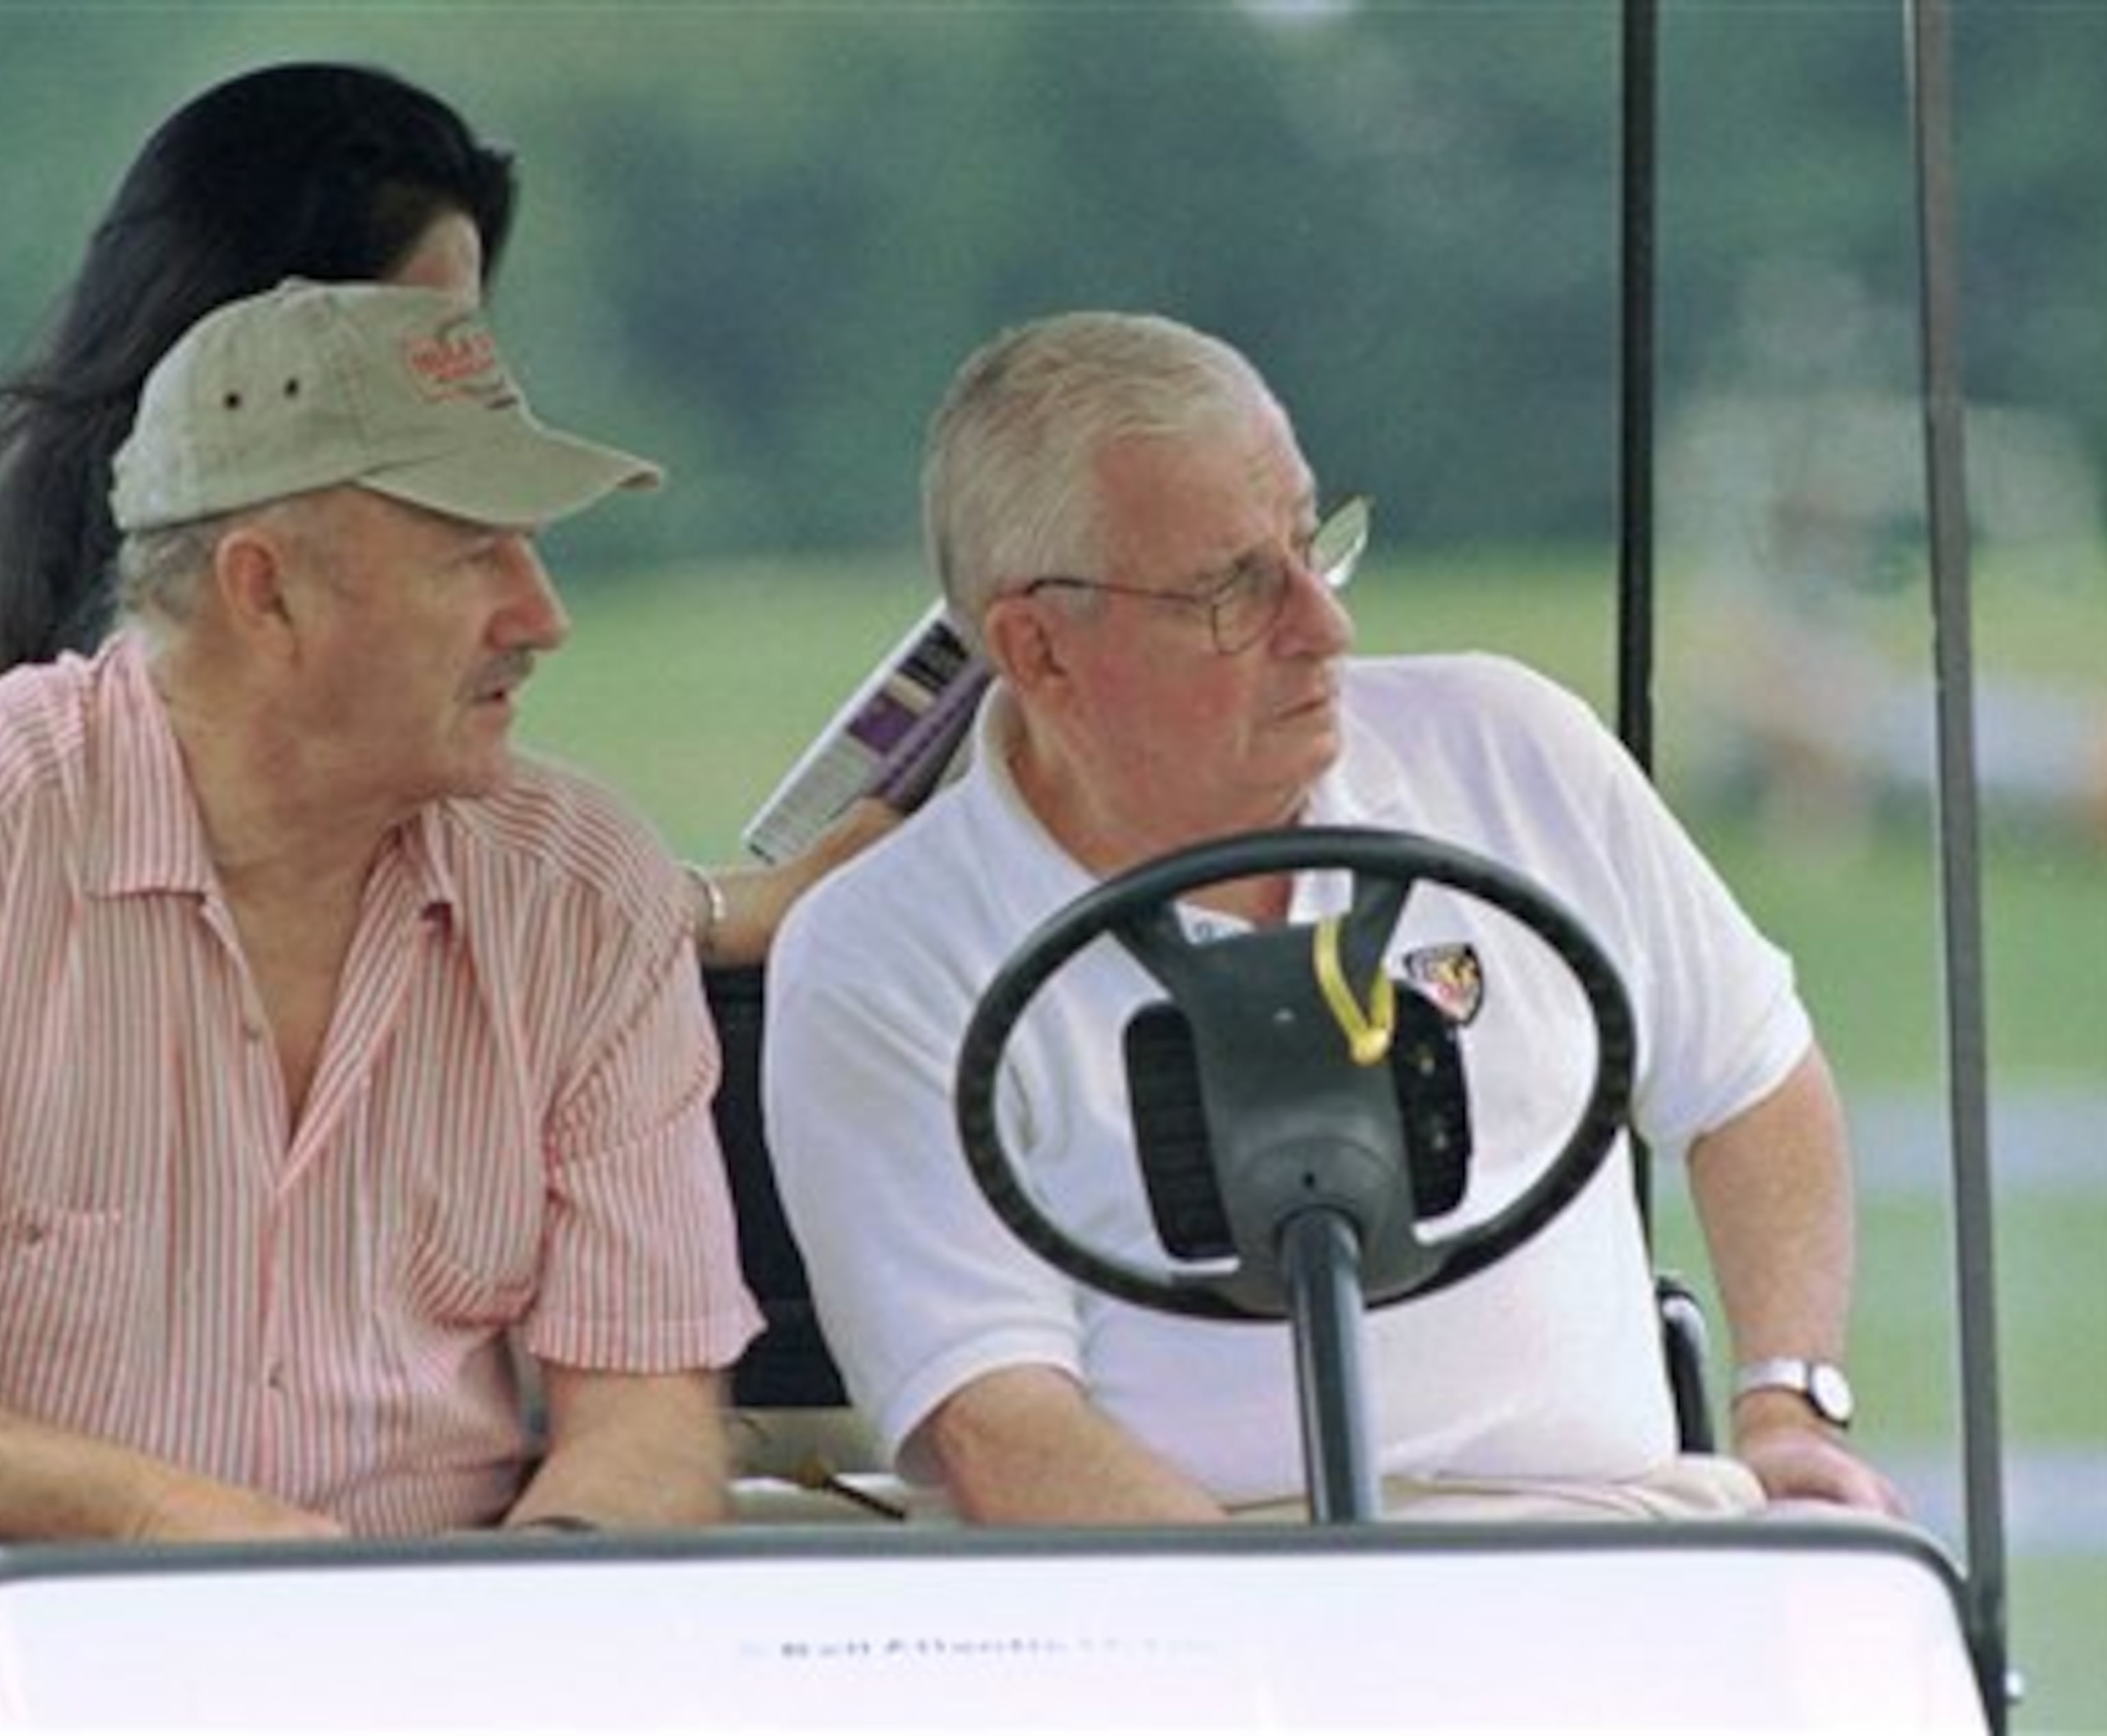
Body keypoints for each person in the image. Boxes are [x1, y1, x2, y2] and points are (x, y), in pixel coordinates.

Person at [0, 279, 766, 1731]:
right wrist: (163, 1519)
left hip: (428, 1653)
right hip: (26, 1647)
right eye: (477, 553)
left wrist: (505, 1632)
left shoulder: (581, 883)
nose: (544, 617)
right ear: (265, 590)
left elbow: (650, 1415)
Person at [764, 309, 1910, 1527]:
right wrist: (1315, 1624)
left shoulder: (1512, 750)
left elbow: (1750, 1079)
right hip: (1188, 1594)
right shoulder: (884, 954)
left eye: (1314, 548)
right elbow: (1000, 1428)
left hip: (1619, 1536)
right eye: (1232, 590)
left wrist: (1789, 1410)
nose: (1325, 627)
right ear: (1039, 649)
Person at [0, 59, 887, 963]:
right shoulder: (5, 806)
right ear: (259, 588)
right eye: (412, 336)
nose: (450, 377)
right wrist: (700, 913)